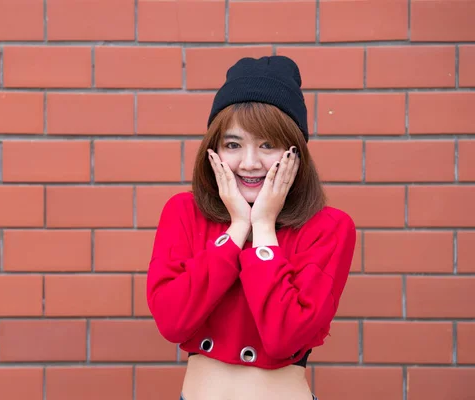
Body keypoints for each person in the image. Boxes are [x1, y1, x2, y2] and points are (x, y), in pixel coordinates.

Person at [146, 55, 356, 400]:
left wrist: (263, 228)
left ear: (295, 152)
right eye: (233, 144)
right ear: (212, 150)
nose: (249, 163)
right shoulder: (184, 212)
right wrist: (236, 229)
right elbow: (172, 321)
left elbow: (285, 336)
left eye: (267, 144)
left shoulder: (329, 227)